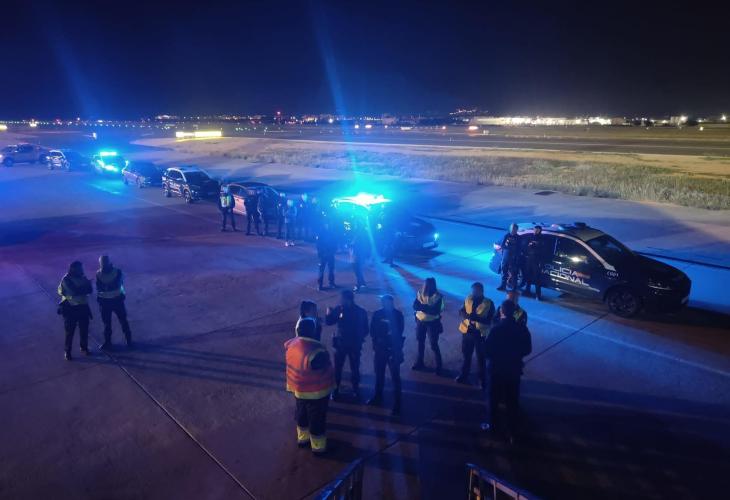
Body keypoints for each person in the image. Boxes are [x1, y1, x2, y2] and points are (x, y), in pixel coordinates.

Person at [482, 300, 532, 442]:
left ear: (501, 312)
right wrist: (515, 355)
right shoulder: (522, 329)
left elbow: (487, 351)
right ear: (515, 312)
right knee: (512, 401)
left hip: (496, 370)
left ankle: (493, 427)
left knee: (493, 399)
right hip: (513, 369)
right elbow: (528, 349)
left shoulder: (495, 329)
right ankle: (512, 432)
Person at [285, 317, 335, 455]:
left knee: (302, 416)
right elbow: (323, 365)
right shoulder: (316, 351)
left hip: (298, 389)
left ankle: (303, 439)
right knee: (316, 420)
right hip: (316, 392)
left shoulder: (291, 344)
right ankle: (318, 447)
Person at [325, 289, 368, 400]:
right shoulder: (360, 311)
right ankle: (355, 390)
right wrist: (359, 338)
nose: (340, 300)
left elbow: (329, 322)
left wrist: (328, 313)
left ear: (347, 299)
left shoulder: (340, 309)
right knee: (353, 368)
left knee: (339, 368)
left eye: (342, 298)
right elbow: (366, 330)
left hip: (342, 344)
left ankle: (336, 391)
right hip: (353, 345)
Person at [368, 295, 405, 415]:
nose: (388, 305)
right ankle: (378, 397)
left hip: (393, 350)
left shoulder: (398, 315)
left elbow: (399, 331)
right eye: (386, 303)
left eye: (390, 303)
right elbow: (372, 331)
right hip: (380, 350)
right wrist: (379, 340)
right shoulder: (377, 314)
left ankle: (397, 403)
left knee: (395, 377)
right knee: (379, 375)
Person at [455, 282, 494, 389]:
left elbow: (490, 321)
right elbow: (462, 310)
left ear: (481, 291)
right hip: (467, 332)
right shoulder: (468, 298)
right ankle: (464, 375)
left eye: (476, 292)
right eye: (473, 291)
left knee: (481, 358)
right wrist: (464, 314)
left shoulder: (489, 303)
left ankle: (482, 380)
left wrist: (475, 318)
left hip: (480, 334)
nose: (473, 293)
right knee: (466, 356)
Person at [58, 261, 93, 360]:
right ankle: (67, 351)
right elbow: (74, 291)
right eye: (80, 268)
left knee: (84, 330)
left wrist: (84, 288)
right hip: (70, 309)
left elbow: (90, 290)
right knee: (70, 332)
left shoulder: (83, 277)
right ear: (73, 269)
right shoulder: (66, 279)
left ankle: (84, 348)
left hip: (82, 308)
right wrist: (85, 287)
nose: (82, 270)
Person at [96, 255, 132, 349]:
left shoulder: (117, 271)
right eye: (102, 263)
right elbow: (99, 287)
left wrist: (105, 287)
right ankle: (108, 342)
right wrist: (107, 287)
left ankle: (129, 341)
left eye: (105, 262)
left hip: (116, 300)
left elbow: (116, 285)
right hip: (105, 302)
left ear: (109, 262)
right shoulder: (98, 273)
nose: (103, 264)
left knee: (123, 321)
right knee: (107, 324)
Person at [412, 277, 445, 374]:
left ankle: (439, 366)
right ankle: (420, 362)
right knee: (420, 342)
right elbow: (415, 306)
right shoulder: (420, 293)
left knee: (433, 344)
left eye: (428, 285)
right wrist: (427, 308)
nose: (426, 287)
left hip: (432, 323)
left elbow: (436, 311)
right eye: (426, 285)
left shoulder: (438, 297)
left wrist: (422, 307)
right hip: (420, 321)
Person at [522, 225, 545, 300]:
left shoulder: (542, 239)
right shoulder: (530, 237)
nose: (535, 231)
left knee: (537, 278)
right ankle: (527, 291)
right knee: (528, 275)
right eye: (535, 230)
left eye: (537, 230)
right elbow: (525, 246)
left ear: (540, 231)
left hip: (537, 260)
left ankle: (538, 294)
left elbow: (543, 250)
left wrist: (536, 244)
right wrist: (529, 246)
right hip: (529, 259)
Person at [497, 223, 521, 291]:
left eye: (514, 229)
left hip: (513, 258)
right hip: (505, 258)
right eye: (512, 228)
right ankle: (503, 286)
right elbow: (502, 245)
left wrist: (512, 246)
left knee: (514, 274)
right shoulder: (506, 236)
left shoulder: (518, 238)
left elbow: (519, 248)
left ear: (516, 230)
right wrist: (507, 245)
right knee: (504, 272)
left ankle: (514, 288)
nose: (513, 230)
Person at [316, 222, 338, 291]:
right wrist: (320, 252)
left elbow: (335, 242)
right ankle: (320, 284)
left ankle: (331, 283)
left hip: (329, 254)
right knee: (322, 270)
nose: (327, 225)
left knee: (330, 269)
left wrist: (334, 250)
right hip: (324, 254)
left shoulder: (331, 233)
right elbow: (318, 244)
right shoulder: (321, 233)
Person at [350, 225, 370, 291]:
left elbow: (355, 246)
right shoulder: (360, 236)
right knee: (358, 270)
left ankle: (358, 285)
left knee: (357, 271)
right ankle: (362, 283)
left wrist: (351, 245)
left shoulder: (358, 236)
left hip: (357, 256)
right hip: (357, 256)